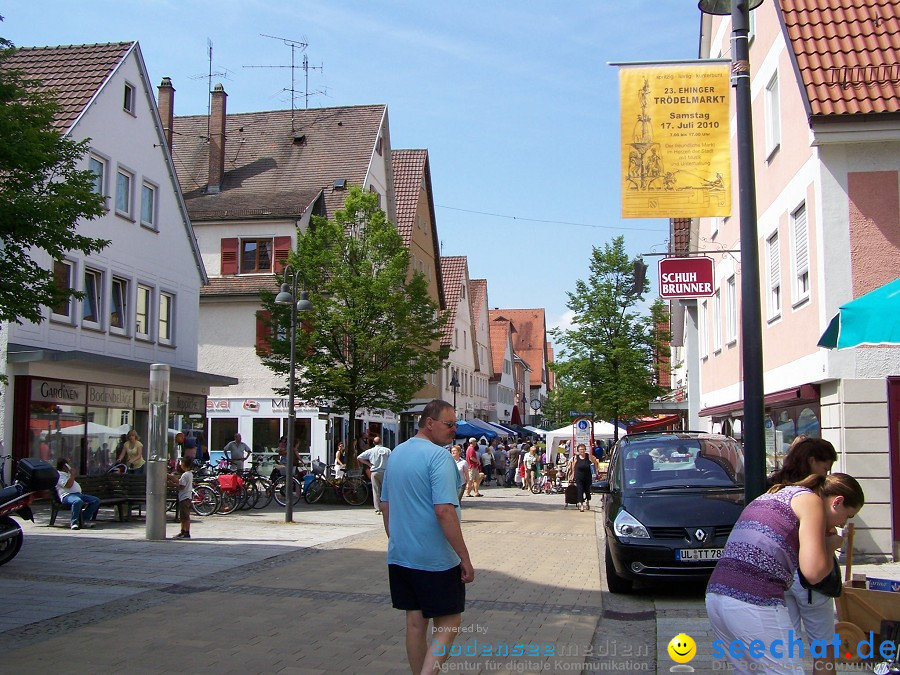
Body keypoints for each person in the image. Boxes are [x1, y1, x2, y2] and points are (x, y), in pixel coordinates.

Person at [706, 473, 864, 674]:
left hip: (717, 596)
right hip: (754, 598)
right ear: (837, 502)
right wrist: (830, 546)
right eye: (847, 516)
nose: (842, 524)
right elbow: (813, 573)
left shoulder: (778, 494)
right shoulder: (812, 502)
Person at [380, 399, 474, 674]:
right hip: (435, 558)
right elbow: (444, 509)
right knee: (450, 621)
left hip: (401, 555)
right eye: (449, 424)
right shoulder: (439, 457)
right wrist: (464, 557)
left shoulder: (397, 453)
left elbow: (385, 505)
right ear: (429, 423)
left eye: (455, 424)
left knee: (415, 622)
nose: (454, 429)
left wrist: (395, 537)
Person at [768, 436, 840, 673]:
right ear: (812, 461)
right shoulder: (815, 493)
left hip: (781, 574)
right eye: (825, 466)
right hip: (810, 576)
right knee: (824, 647)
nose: (827, 473)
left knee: (788, 646)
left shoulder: (774, 485)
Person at [55, 459, 101, 530]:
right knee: (77, 501)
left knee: (95, 500)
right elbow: (68, 485)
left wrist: (71, 474)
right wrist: (72, 474)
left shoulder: (67, 474)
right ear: (64, 466)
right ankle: (74, 523)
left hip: (78, 494)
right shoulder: (59, 475)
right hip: (67, 495)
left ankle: (84, 519)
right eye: (68, 465)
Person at [358, 435, 391, 515]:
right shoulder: (387, 450)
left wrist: (369, 464)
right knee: (385, 490)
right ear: (381, 442)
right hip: (384, 472)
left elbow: (359, 457)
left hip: (375, 472)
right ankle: (386, 507)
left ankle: (377, 509)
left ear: (373, 443)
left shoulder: (371, 451)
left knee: (376, 491)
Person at [167, 456, 193, 540]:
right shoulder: (189, 474)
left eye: (181, 463)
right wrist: (171, 477)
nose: (180, 465)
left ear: (184, 465)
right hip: (186, 497)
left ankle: (186, 532)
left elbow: (181, 486)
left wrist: (173, 485)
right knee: (182, 516)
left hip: (184, 498)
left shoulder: (185, 475)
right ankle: (183, 531)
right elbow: (180, 481)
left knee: (185, 516)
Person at [567, 443, 598, 512]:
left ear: (585, 450)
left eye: (583, 449)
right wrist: (572, 475)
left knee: (587, 490)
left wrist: (595, 471)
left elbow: (595, 462)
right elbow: (573, 466)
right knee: (580, 490)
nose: (582, 451)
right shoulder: (576, 457)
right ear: (578, 450)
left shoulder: (588, 456)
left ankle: (587, 501)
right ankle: (581, 505)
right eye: (580, 449)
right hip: (579, 476)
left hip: (587, 475)